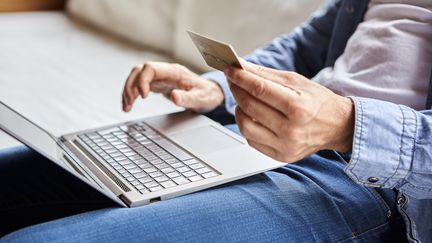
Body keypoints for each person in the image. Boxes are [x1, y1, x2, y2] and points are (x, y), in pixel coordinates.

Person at [0, 0, 430, 242]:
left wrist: (346, 125)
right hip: (258, 139)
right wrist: (218, 90)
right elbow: (305, 48)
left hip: (372, 185)